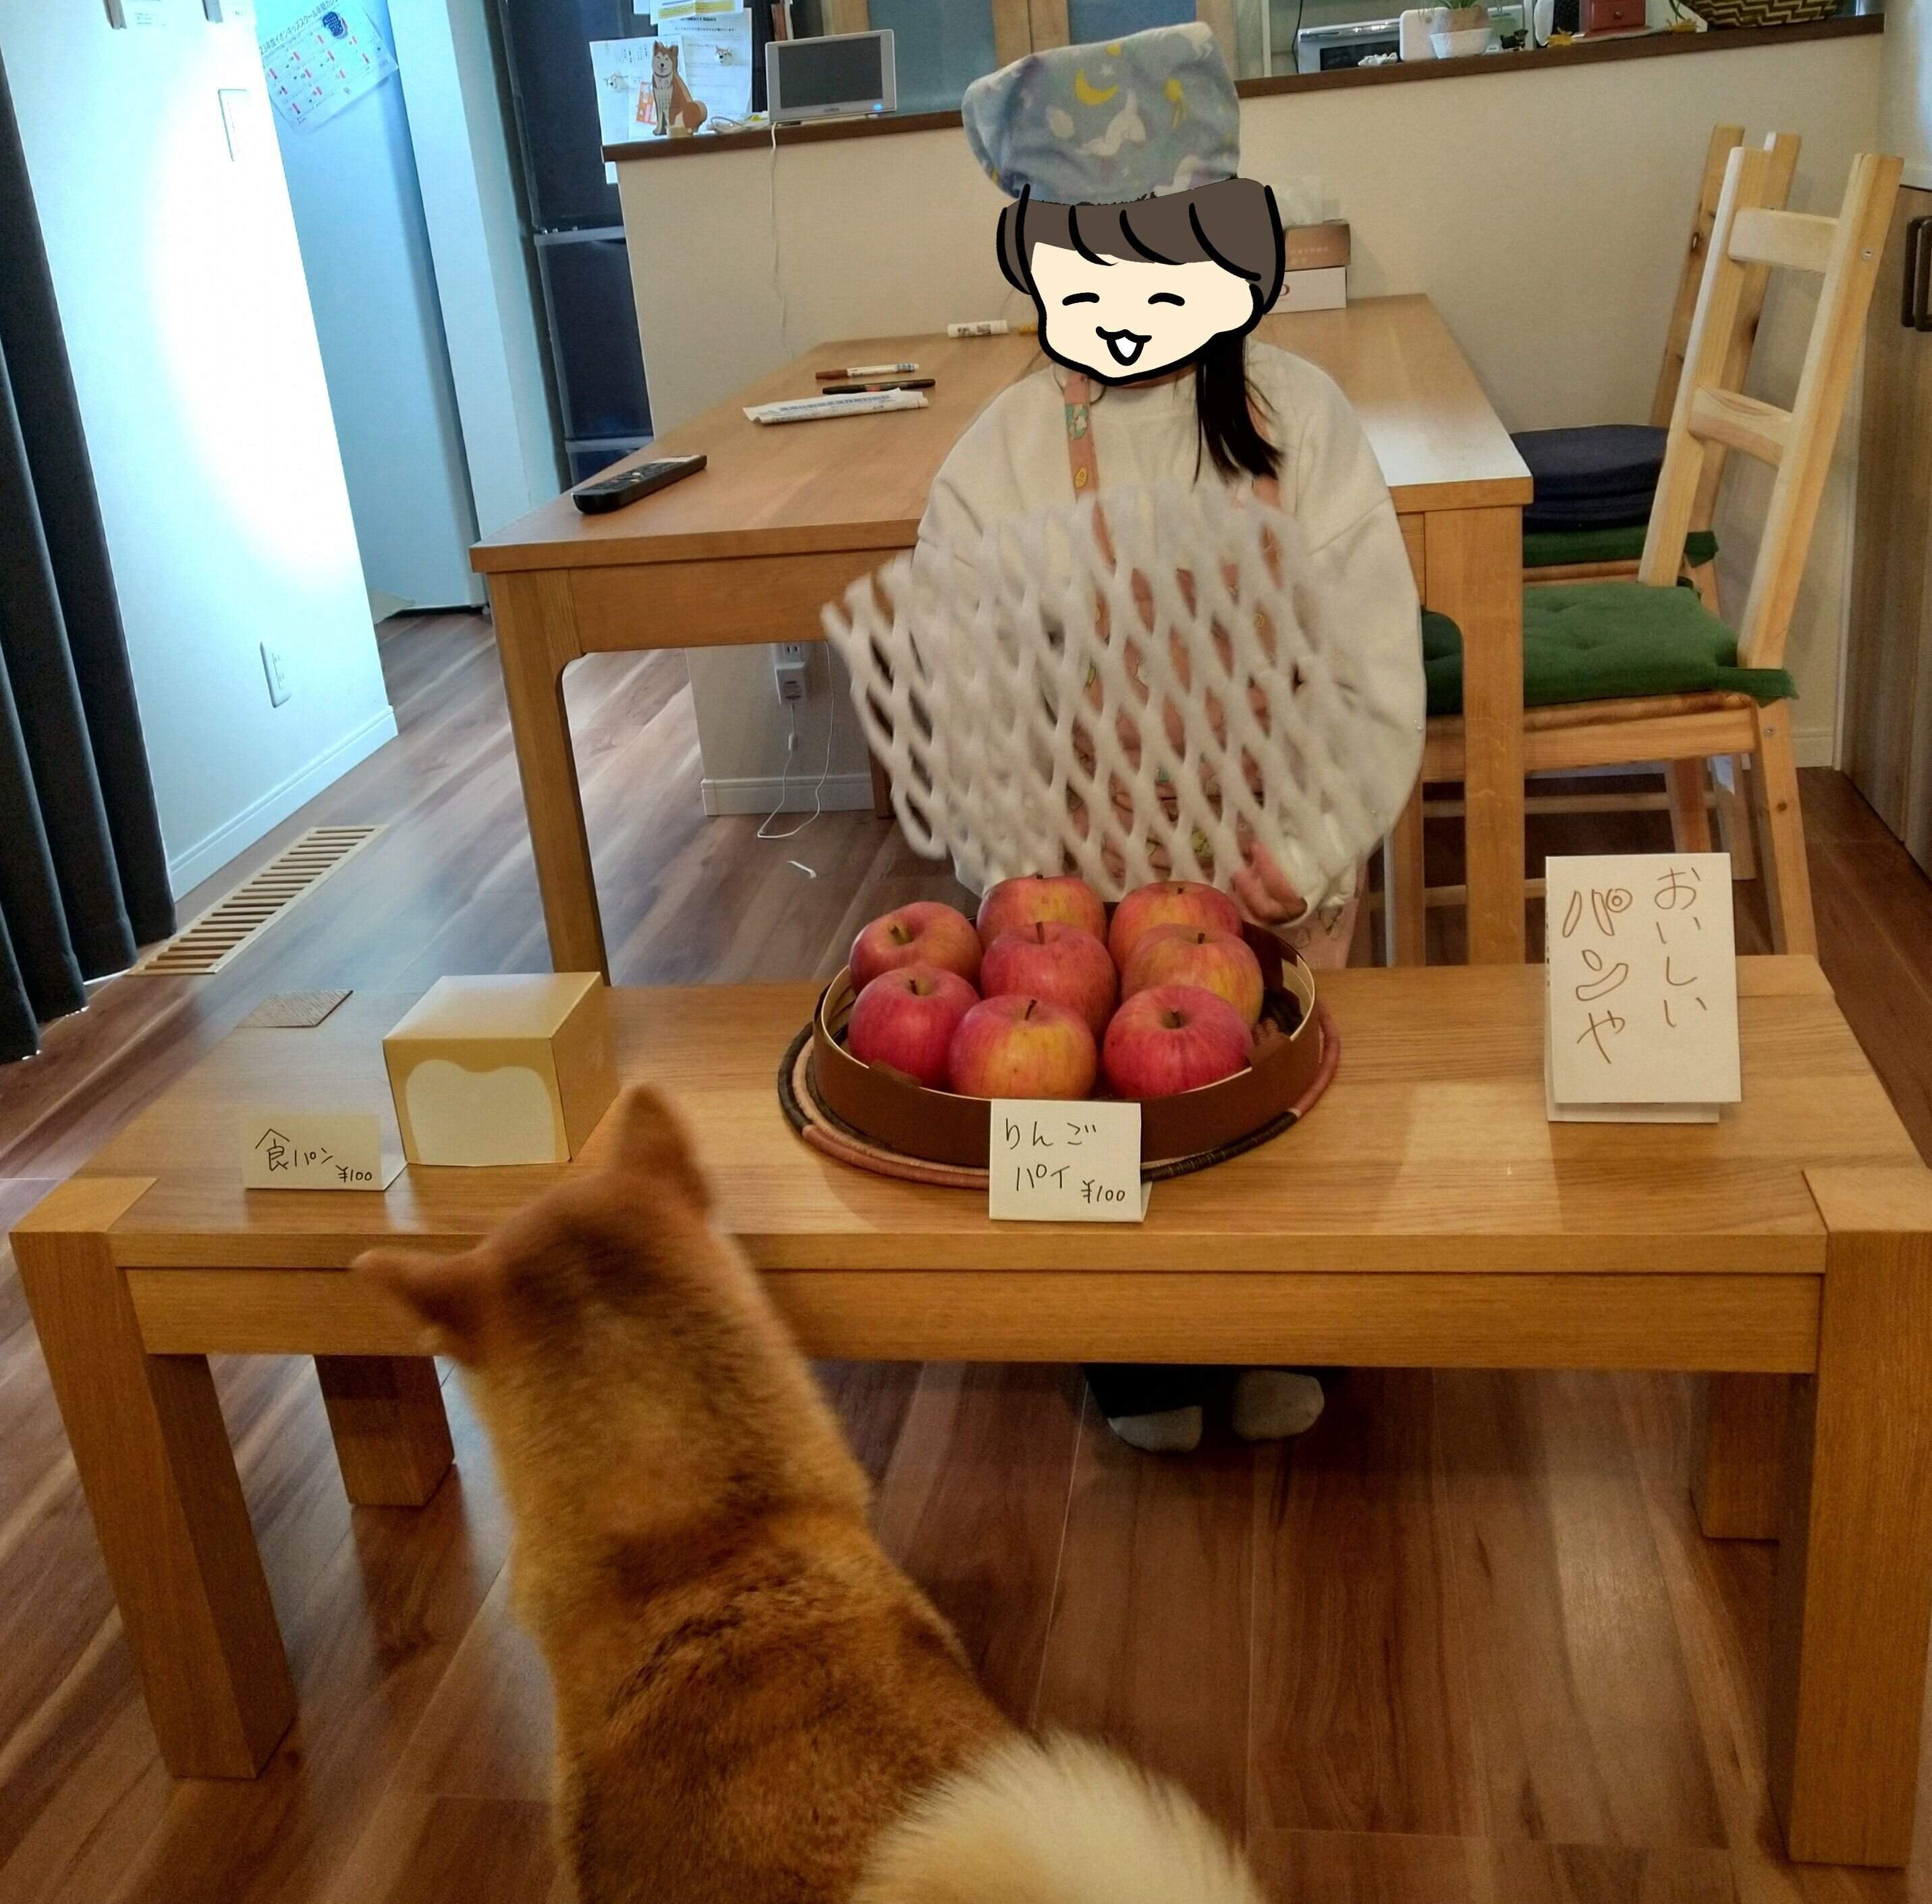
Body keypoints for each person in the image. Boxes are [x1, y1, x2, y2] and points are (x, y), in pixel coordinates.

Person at [918, 24, 1424, 1453]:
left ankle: (1280, 1317)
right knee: (1099, 1112)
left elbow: (1369, 669)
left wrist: (1310, 842)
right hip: (1082, 903)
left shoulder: (1304, 426)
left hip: (1277, 875)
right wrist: (1036, 894)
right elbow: (971, 708)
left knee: (1268, 1103)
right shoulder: (995, 466)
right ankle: (1134, 1349)